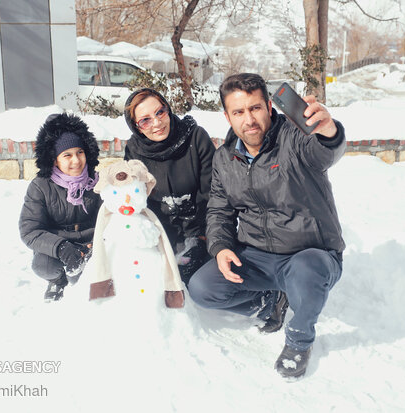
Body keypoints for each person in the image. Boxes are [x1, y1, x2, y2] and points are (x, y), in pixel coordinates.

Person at [187, 73, 345, 379]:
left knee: (306, 270)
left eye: (255, 108)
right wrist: (220, 247)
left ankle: (299, 340)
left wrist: (329, 131)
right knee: (202, 288)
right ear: (228, 116)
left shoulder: (296, 138)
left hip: (309, 253)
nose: (249, 119)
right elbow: (219, 210)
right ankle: (269, 300)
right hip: (257, 256)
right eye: (239, 112)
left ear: (269, 107)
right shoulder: (224, 159)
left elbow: (325, 151)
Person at [123, 88, 215, 285]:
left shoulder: (195, 138)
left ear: (168, 109)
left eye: (160, 112)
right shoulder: (134, 150)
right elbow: (136, 198)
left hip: (200, 231)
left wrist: (201, 237)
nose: (157, 123)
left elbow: (213, 194)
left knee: (190, 281)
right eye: (145, 120)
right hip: (158, 233)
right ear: (136, 127)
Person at [19, 113, 102, 302]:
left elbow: (110, 218)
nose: (76, 160)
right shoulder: (41, 186)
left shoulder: (97, 182)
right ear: (55, 160)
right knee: (43, 265)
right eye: (67, 155)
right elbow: (29, 230)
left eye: (79, 152)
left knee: (82, 278)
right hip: (59, 243)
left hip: (92, 242)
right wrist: (61, 247)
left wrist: (95, 244)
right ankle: (58, 279)